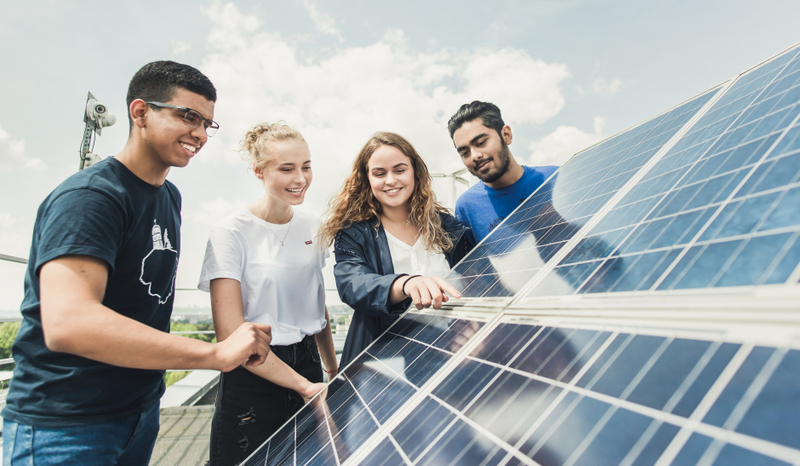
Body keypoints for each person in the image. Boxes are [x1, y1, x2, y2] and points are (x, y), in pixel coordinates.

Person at [2, 61, 273, 466]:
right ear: (140, 112)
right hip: (67, 425)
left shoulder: (169, 197)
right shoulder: (92, 197)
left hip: (139, 412)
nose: (199, 133)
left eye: (207, 124)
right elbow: (69, 324)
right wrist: (214, 354)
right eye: (188, 116)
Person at [198, 122, 336, 464]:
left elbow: (316, 306)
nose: (300, 178)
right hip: (252, 374)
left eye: (306, 167)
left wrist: (332, 370)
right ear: (259, 171)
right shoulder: (230, 233)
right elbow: (230, 334)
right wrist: (303, 387)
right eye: (286, 169)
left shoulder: (313, 226)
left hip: (307, 364)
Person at [319, 132, 475, 369]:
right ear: (367, 179)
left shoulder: (450, 228)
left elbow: (476, 283)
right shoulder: (354, 234)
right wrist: (405, 284)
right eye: (379, 173)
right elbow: (352, 284)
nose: (390, 180)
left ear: (415, 172)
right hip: (383, 366)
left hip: (452, 359)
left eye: (399, 170)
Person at [448, 101, 559, 242]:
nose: (475, 156)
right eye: (464, 153)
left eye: (481, 143)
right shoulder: (466, 208)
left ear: (506, 135)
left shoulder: (555, 177)